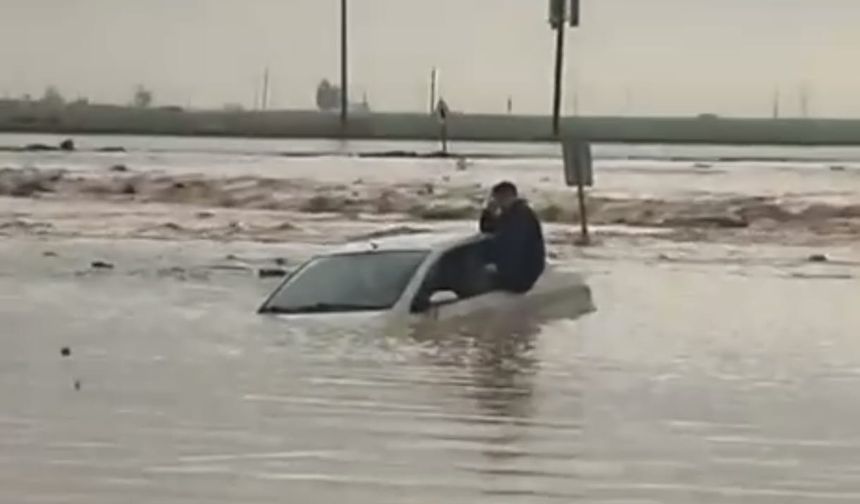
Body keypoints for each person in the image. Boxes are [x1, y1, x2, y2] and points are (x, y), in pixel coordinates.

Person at [478, 181, 546, 293]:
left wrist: (497, 266)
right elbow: (488, 230)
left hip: (522, 274)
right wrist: (488, 213)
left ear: (506, 197)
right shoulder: (511, 214)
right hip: (520, 270)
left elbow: (510, 245)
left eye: (497, 199)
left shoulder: (520, 215)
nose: (497, 202)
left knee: (477, 280)